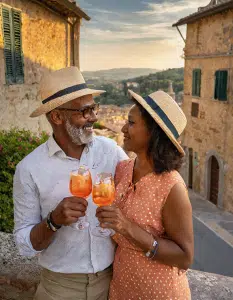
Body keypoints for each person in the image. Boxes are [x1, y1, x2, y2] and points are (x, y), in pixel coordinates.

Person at [13, 67, 128, 300]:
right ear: (57, 117)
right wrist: (53, 221)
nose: (94, 118)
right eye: (84, 111)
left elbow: (138, 191)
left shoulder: (111, 152)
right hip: (59, 288)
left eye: (93, 108)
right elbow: (24, 245)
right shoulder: (29, 169)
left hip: (111, 283)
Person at [96, 90, 194, 300]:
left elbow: (185, 257)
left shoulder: (172, 186)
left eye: (131, 123)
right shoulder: (122, 169)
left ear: (153, 133)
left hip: (159, 292)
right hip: (122, 287)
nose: (122, 128)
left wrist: (128, 227)